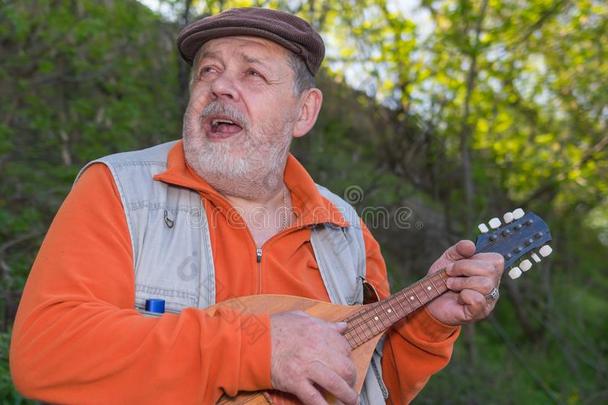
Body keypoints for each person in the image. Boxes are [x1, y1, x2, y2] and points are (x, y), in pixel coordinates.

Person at [10, 7, 503, 405]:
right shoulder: (118, 190)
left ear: (303, 112)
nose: (220, 86)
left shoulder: (346, 231)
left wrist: (426, 322)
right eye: (209, 70)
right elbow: (47, 353)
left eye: (252, 73)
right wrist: (258, 347)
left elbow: (376, 385)